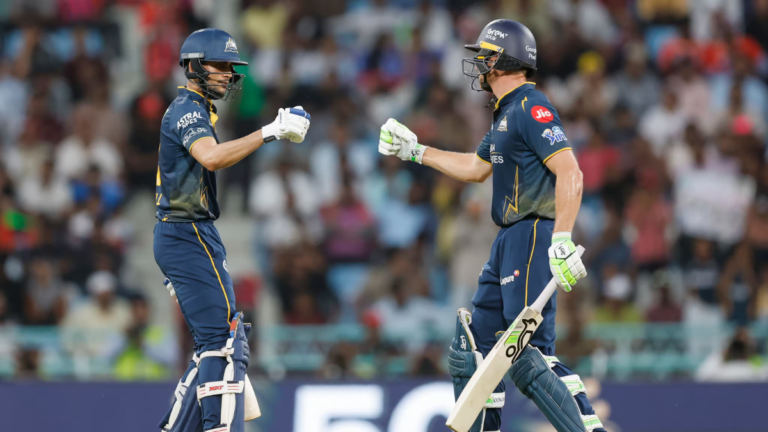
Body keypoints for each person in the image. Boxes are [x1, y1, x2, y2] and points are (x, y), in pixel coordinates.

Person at [378, 19, 604, 432]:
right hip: (508, 239)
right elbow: (475, 167)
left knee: (529, 354)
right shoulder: (506, 114)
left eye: (485, 55)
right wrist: (415, 151)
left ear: (503, 60)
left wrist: (563, 238)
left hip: (533, 233)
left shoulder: (530, 107)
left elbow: (570, 171)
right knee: (474, 352)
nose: (479, 63)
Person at [153, 28, 310, 432]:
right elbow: (211, 157)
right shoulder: (188, 109)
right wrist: (269, 131)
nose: (226, 74)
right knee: (224, 343)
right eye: (218, 65)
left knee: (214, 344)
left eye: (230, 67)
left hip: (185, 234)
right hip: (186, 232)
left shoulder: (197, 108)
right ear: (193, 66)